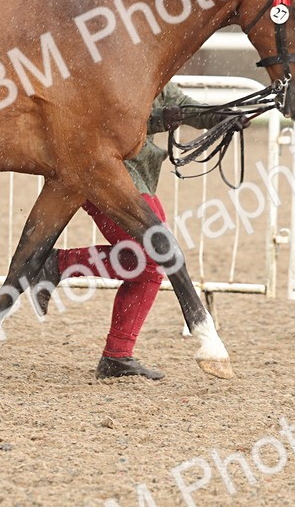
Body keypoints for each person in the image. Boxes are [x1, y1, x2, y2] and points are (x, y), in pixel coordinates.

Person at [29, 82, 230, 380]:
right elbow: (111, 122)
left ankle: (117, 354)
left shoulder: (158, 80)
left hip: (137, 185)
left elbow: (190, 109)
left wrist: (228, 116)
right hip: (102, 182)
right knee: (152, 261)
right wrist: (161, 119)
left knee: (150, 269)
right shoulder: (113, 75)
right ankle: (59, 266)